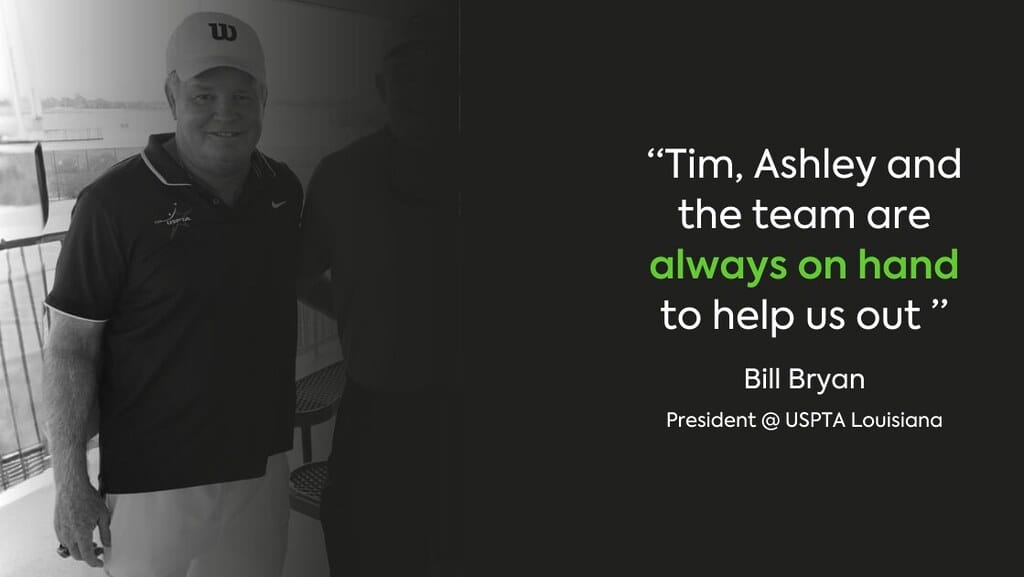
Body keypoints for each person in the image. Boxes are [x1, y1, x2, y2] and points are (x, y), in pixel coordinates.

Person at [41, 11, 302, 577]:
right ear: (171, 94)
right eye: (204, 94)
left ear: (264, 97)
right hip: (149, 485)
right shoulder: (112, 204)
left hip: (260, 468)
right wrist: (69, 481)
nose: (225, 113)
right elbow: (69, 349)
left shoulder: (282, 188)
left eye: (241, 95)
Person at [298, 3, 462, 575]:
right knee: (354, 535)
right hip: (374, 406)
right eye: (405, 73)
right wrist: (353, 313)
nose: (420, 87)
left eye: (437, 73)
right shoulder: (342, 174)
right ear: (380, 84)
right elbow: (298, 271)